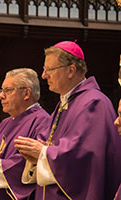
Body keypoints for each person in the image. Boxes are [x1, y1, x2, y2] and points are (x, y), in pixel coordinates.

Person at [14, 41, 121, 199]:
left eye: (49, 69)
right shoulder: (65, 102)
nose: (44, 75)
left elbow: (85, 159)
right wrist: (34, 156)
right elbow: (47, 142)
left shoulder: (94, 103)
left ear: (71, 70)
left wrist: (42, 153)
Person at [0, 68, 50, 200]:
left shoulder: (42, 121)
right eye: (2, 90)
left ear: (26, 93)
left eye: (8, 90)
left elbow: (28, 165)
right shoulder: (5, 123)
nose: (0, 96)